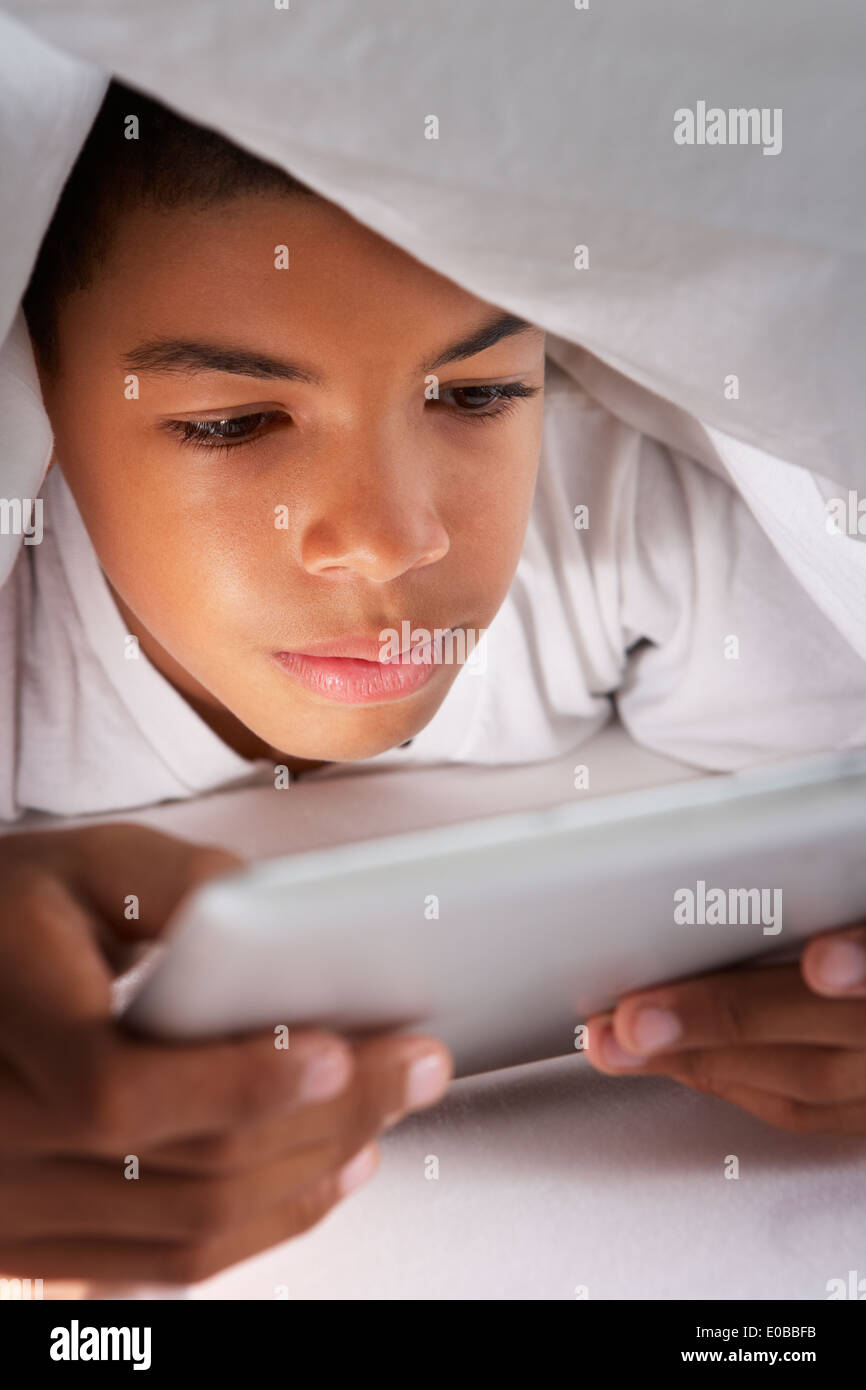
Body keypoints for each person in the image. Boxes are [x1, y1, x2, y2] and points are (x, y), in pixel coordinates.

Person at [2, 79, 865, 1287]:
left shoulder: (624, 507)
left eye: (473, 396)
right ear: (37, 393)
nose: (392, 536)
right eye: (237, 422)